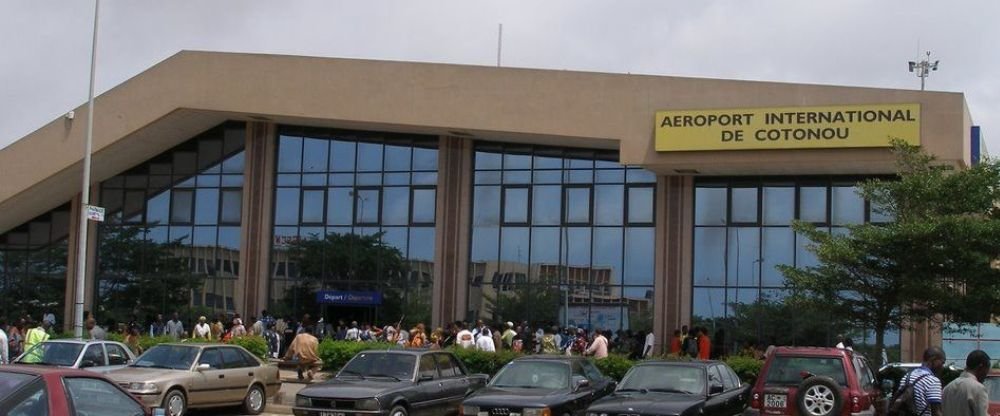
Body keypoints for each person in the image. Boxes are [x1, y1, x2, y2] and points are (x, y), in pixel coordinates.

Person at [897, 346, 945, 416]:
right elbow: (936, 412)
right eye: (942, 362)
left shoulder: (906, 377)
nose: (942, 366)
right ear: (933, 359)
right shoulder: (933, 381)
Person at [941, 349, 991, 416]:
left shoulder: (947, 388)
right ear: (980, 367)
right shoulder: (978, 389)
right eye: (986, 371)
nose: (986, 375)